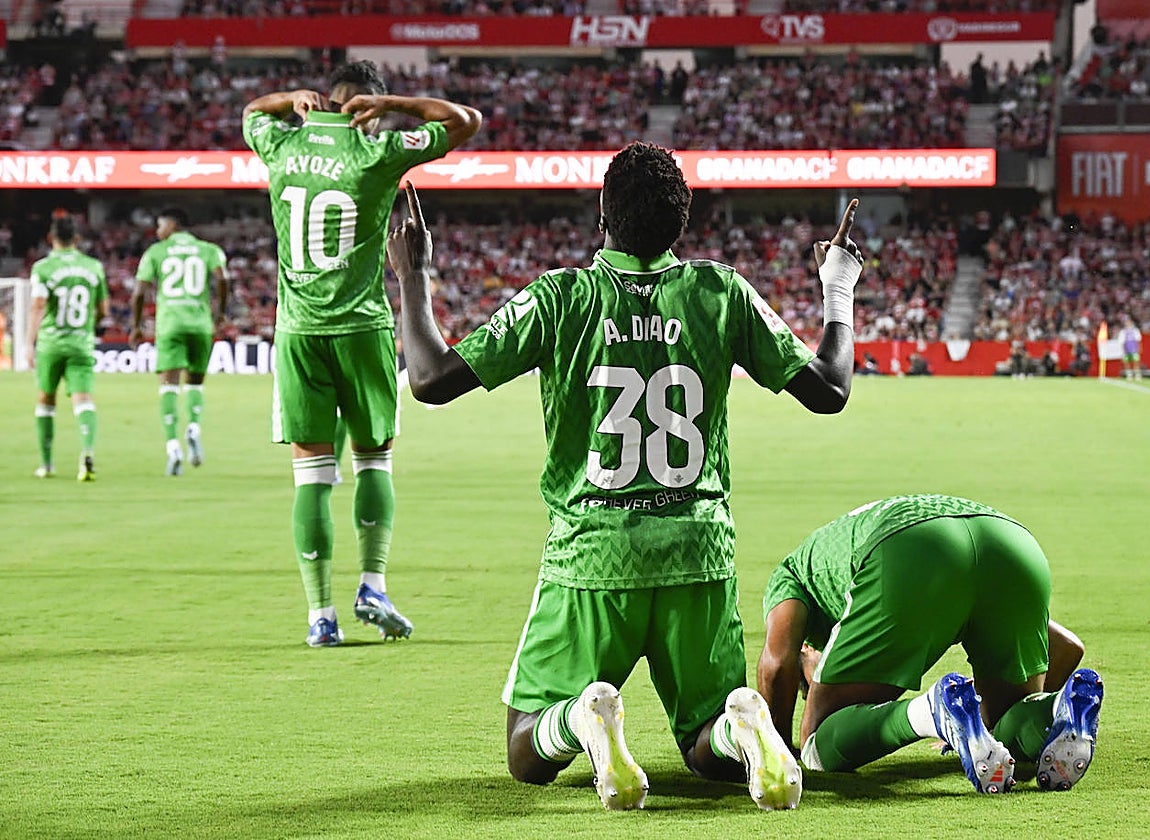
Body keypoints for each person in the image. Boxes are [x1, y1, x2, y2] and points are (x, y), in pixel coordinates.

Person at [388, 142, 865, 811]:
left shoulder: (561, 298)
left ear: (602, 214)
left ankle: (581, 719)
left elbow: (432, 379)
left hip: (593, 556)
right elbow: (829, 389)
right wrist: (837, 284)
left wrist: (413, 276)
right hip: (697, 552)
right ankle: (741, 726)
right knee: (705, 742)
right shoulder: (720, 292)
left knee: (526, 751)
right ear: (682, 224)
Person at [241, 60, 481, 648]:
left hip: (298, 332)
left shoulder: (280, 146)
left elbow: (251, 112)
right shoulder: (377, 153)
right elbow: (466, 120)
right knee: (374, 461)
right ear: (368, 110)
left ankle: (320, 617)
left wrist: (289, 98)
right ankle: (373, 585)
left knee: (310, 475)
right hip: (362, 327)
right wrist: (394, 105)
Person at [758, 494, 1104, 795]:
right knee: (1001, 726)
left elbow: (775, 665)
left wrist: (773, 750)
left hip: (911, 551)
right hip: (1011, 541)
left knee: (817, 747)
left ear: (807, 649)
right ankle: (1057, 711)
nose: (809, 691)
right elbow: (1066, 647)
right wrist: (987, 717)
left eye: (805, 684)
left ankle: (931, 712)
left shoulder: (791, 575)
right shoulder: (835, 552)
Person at [131, 207, 229, 476]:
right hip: (200, 324)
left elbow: (139, 292)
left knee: (169, 385)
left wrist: (136, 326)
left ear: (173, 225)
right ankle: (194, 427)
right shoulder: (208, 249)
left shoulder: (156, 252)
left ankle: (173, 446)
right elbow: (223, 278)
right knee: (195, 382)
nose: (158, 231)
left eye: (160, 225)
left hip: (170, 324)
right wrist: (220, 312)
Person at [26, 215, 108, 481]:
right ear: (77, 239)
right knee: (83, 400)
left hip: (51, 344)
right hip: (81, 343)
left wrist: (29, 342)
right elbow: (104, 310)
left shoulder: (43, 268)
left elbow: (38, 304)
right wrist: (88, 324)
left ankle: (47, 465)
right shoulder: (93, 267)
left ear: (51, 238)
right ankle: (87, 453)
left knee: (46, 400)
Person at [1118, 316, 1142, 380]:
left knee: (1136, 362)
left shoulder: (1135, 330)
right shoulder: (1123, 331)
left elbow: (1138, 340)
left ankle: (1137, 374)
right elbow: (1121, 342)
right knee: (1127, 362)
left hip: (1134, 349)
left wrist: (1139, 348)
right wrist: (1122, 350)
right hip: (1126, 349)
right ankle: (1129, 374)